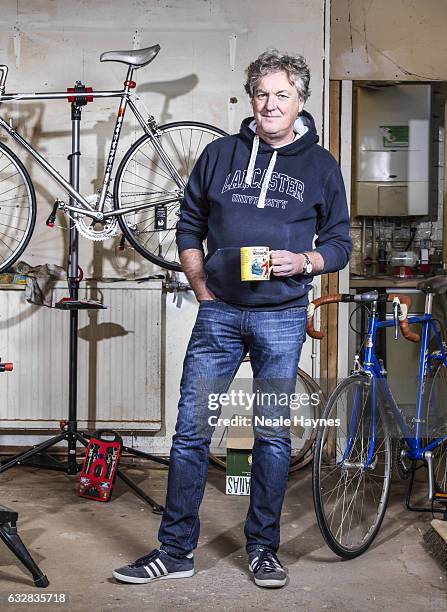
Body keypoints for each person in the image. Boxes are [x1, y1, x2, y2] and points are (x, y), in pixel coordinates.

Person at [113, 48, 352, 589]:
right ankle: (175, 551)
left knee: (270, 436)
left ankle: (264, 550)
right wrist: (201, 287)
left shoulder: (321, 166)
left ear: (301, 102)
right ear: (251, 99)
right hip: (219, 318)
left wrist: (306, 261)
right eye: (262, 94)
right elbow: (189, 224)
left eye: (282, 95)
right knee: (192, 435)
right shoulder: (220, 155)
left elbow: (340, 243)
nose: (270, 104)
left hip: (282, 319)